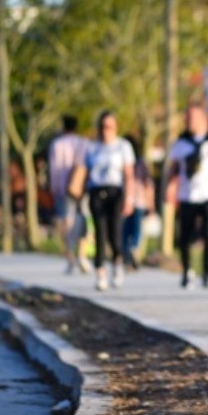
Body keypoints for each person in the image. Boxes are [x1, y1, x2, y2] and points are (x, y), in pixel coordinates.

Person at [168, 105, 208, 289]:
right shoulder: (181, 143)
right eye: (187, 117)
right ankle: (187, 272)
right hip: (187, 194)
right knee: (185, 236)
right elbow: (174, 169)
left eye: (193, 117)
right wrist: (170, 188)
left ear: (203, 119)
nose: (189, 121)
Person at [84, 110, 135, 291]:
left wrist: (130, 198)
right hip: (97, 192)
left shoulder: (123, 146)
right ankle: (100, 274)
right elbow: (85, 173)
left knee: (115, 233)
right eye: (103, 127)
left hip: (116, 193)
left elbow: (129, 174)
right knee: (100, 233)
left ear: (115, 128)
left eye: (110, 127)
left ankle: (117, 264)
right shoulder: (92, 148)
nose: (106, 130)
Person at [48, 115, 91, 275]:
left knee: (66, 222)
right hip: (82, 187)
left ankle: (70, 258)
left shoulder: (57, 144)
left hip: (64, 189)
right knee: (83, 219)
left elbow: (55, 169)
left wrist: (55, 188)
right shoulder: (84, 143)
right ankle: (82, 254)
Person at [122, 135, 155, 270]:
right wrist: (151, 204)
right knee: (136, 230)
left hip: (126, 201)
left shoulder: (123, 162)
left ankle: (127, 257)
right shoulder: (142, 163)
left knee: (125, 231)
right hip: (139, 201)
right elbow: (149, 185)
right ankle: (133, 249)